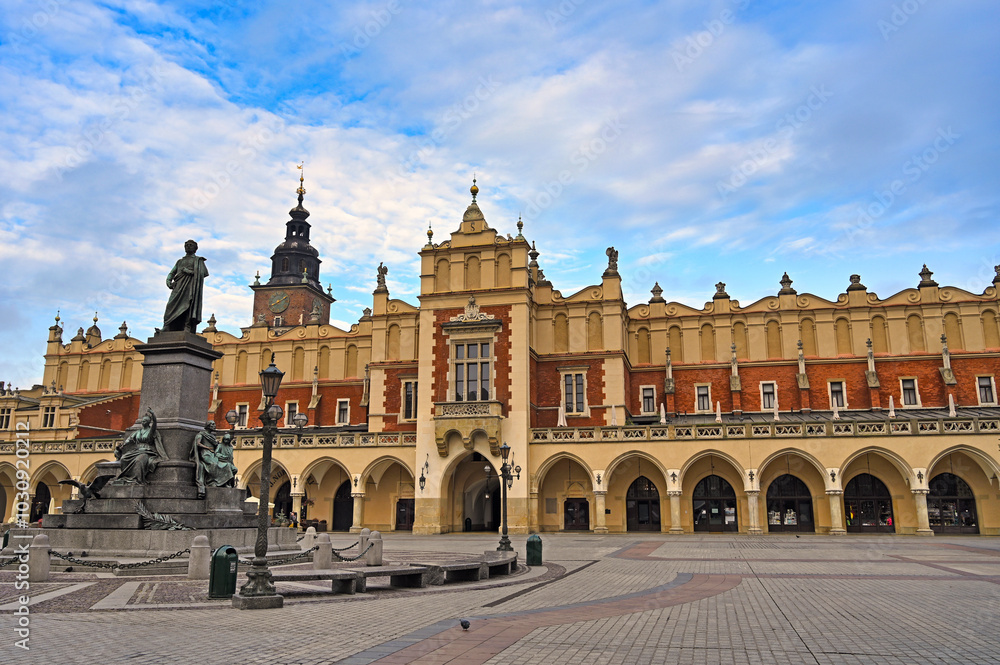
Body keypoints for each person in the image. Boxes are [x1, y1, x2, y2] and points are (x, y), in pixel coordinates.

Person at [163, 239, 209, 333]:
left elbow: (203, 273)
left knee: (189, 305)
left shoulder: (198, 260)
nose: (188, 246)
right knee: (170, 306)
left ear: (195, 248)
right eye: (187, 245)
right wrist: (168, 281)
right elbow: (172, 272)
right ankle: (167, 326)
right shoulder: (180, 261)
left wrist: (189, 272)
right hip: (178, 286)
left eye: (191, 245)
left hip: (191, 286)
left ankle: (187, 326)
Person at [113, 408, 167, 485]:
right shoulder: (138, 432)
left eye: (144, 421)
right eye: (142, 421)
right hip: (137, 450)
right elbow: (130, 439)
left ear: (148, 422)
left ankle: (136, 479)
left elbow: (154, 424)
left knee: (139, 461)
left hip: (147, 451)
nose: (142, 422)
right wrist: (123, 446)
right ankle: (126, 477)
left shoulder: (151, 431)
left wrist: (153, 415)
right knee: (124, 458)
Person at [193, 423, 237, 497]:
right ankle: (212, 482)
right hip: (205, 454)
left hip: (213, 454)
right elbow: (197, 443)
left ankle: (220, 483)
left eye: (214, 424)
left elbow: (217, 447)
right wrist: (207, 448)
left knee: (225, 464)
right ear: (208, 426)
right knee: (214, 464)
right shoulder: (201, 434)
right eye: (212, 425)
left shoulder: (213, 436)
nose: (215, 426)